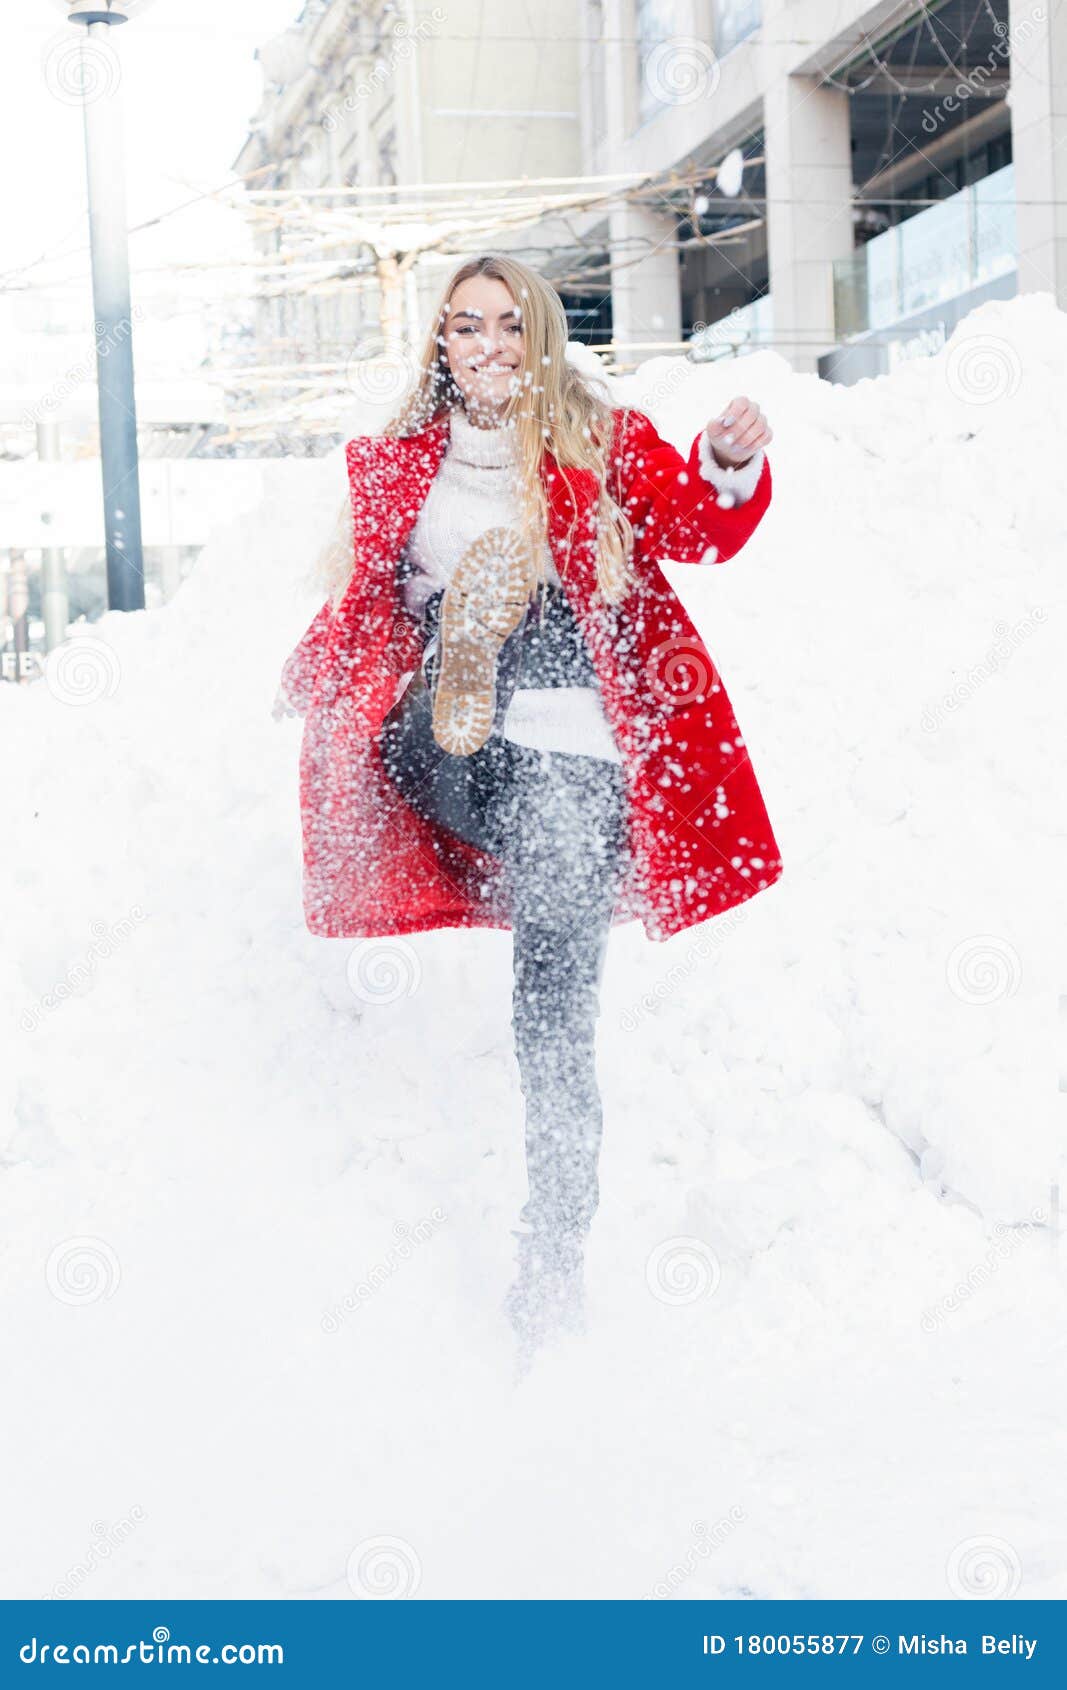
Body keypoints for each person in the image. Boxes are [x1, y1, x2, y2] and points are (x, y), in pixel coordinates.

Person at [274, 252, 781, 1370]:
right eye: (466, 328)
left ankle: (550, 1261)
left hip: (573, 776)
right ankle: (474, 641)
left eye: (509, 326)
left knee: (554, 1032)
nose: (489, 346)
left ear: (537, 338)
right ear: (440, 346)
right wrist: (316, 670)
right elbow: (361, 606)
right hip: (455, 756)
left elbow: (694, 529)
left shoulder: (598, 443)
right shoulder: (396, 468)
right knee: (424, 701)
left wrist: (728, 465)